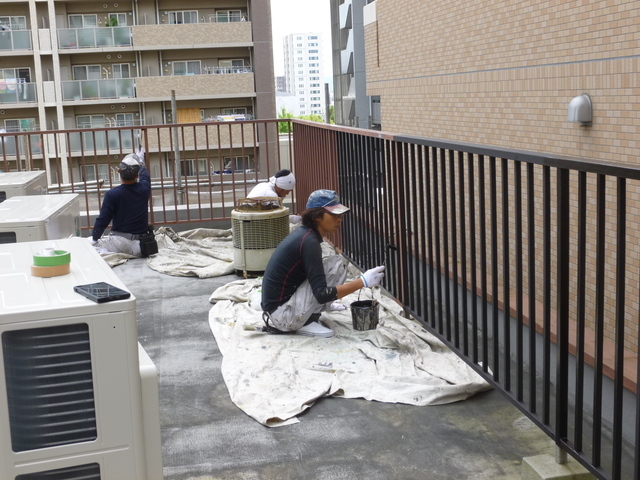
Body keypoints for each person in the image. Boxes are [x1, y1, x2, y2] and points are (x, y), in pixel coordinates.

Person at [260, 189, 385, 338]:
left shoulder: (306, 235)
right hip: (283, 317)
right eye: (334, 215)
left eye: (340, 215)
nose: (339, 219)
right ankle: (306, 322)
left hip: (278, 309)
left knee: (336, 265)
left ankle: (315, 310)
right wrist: (363, 281)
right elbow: (321, 294)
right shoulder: (309, 242)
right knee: (334, 269)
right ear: (317, 216)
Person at [88, 148, 151, 256]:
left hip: (120, 243)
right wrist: (141, 162)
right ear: (137, 176)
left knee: (86, 246)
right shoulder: (144, 189)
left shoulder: (112, 194)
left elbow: (103, 219)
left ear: (118, 172)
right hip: (141, 246)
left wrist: (94, 238)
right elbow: (145, 177)